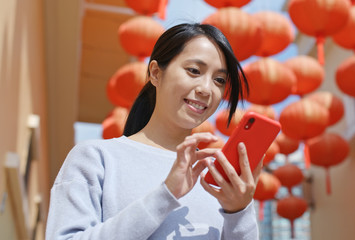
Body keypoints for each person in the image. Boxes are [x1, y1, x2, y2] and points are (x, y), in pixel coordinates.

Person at [45, 23, 261, 240]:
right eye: (194, 71)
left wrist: (239, 212)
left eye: (219, 80)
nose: (206, 89)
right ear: (156, 73)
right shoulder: (96, 157)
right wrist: (165, 195)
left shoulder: (219, 183)